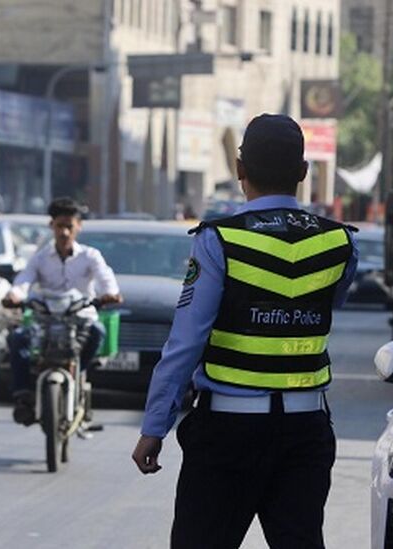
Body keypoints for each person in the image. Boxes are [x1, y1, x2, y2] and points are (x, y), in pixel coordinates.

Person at [131, 113, 359, 549]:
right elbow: (327, 303)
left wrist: (154, 426)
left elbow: (185, 342)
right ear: (303, 173)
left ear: (240, 171)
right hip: (305, 432)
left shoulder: (221, 240)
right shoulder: (339, 242)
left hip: (227, 435)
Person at [2, 197, 122, 425]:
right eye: (60, 226)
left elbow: (106, 278)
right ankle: (22, 395)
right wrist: (14, 296)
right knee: (17, 339)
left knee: (98, 332)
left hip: (80, 319)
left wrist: (110, 293)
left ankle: (79, 369)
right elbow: (23, 281)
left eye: (70, 226)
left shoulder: (90, 256)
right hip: (46, 320)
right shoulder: (39, 258)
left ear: (79, 227)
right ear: (52, 226)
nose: (64, 232)